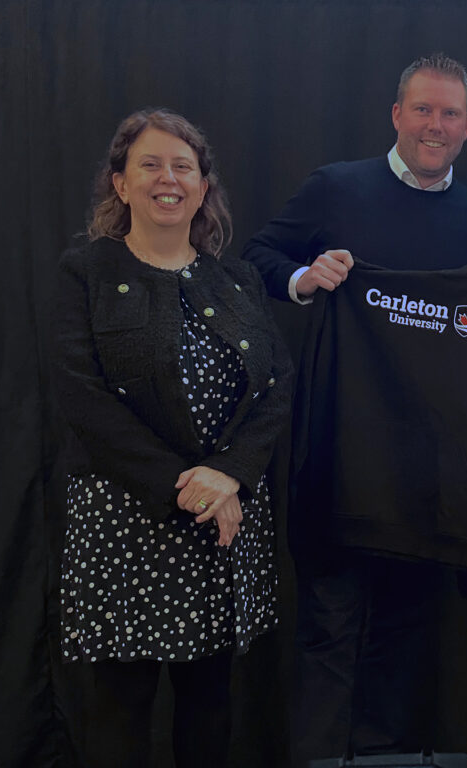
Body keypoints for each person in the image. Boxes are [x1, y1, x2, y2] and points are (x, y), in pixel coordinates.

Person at [243, 53, 467, 763]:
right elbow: (257, 256)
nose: (436, 124)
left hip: (429, 478)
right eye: (423, 109)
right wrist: (306, 275)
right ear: (397, 114)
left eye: (450, 113)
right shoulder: (338, 189)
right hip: (339, 460)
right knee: (328, 636)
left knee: (402, 640)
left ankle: (382, 756)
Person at [52, 108, 293, 768]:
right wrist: (185, 486)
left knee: (209, 717)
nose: (168, 178)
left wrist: (233, 473)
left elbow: (276, 388)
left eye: (182, 166)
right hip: (123, 525)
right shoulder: (87, 271)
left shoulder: (236, 278)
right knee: (115, 720)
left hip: (222, 522)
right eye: (150, 165)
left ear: (203, 186)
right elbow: (81, 397)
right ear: (121, 184)